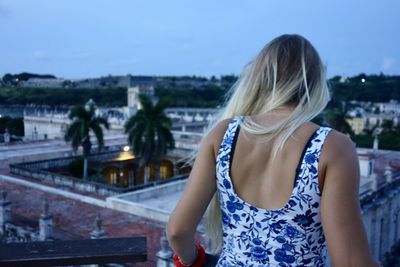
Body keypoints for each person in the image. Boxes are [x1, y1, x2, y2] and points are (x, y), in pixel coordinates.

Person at [167, 34, 379, 266]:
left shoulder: (223, 134)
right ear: (315, 81)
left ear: (260, 78)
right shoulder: (333, 147)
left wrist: (195, 261)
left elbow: (178, 231)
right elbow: (351, 262)